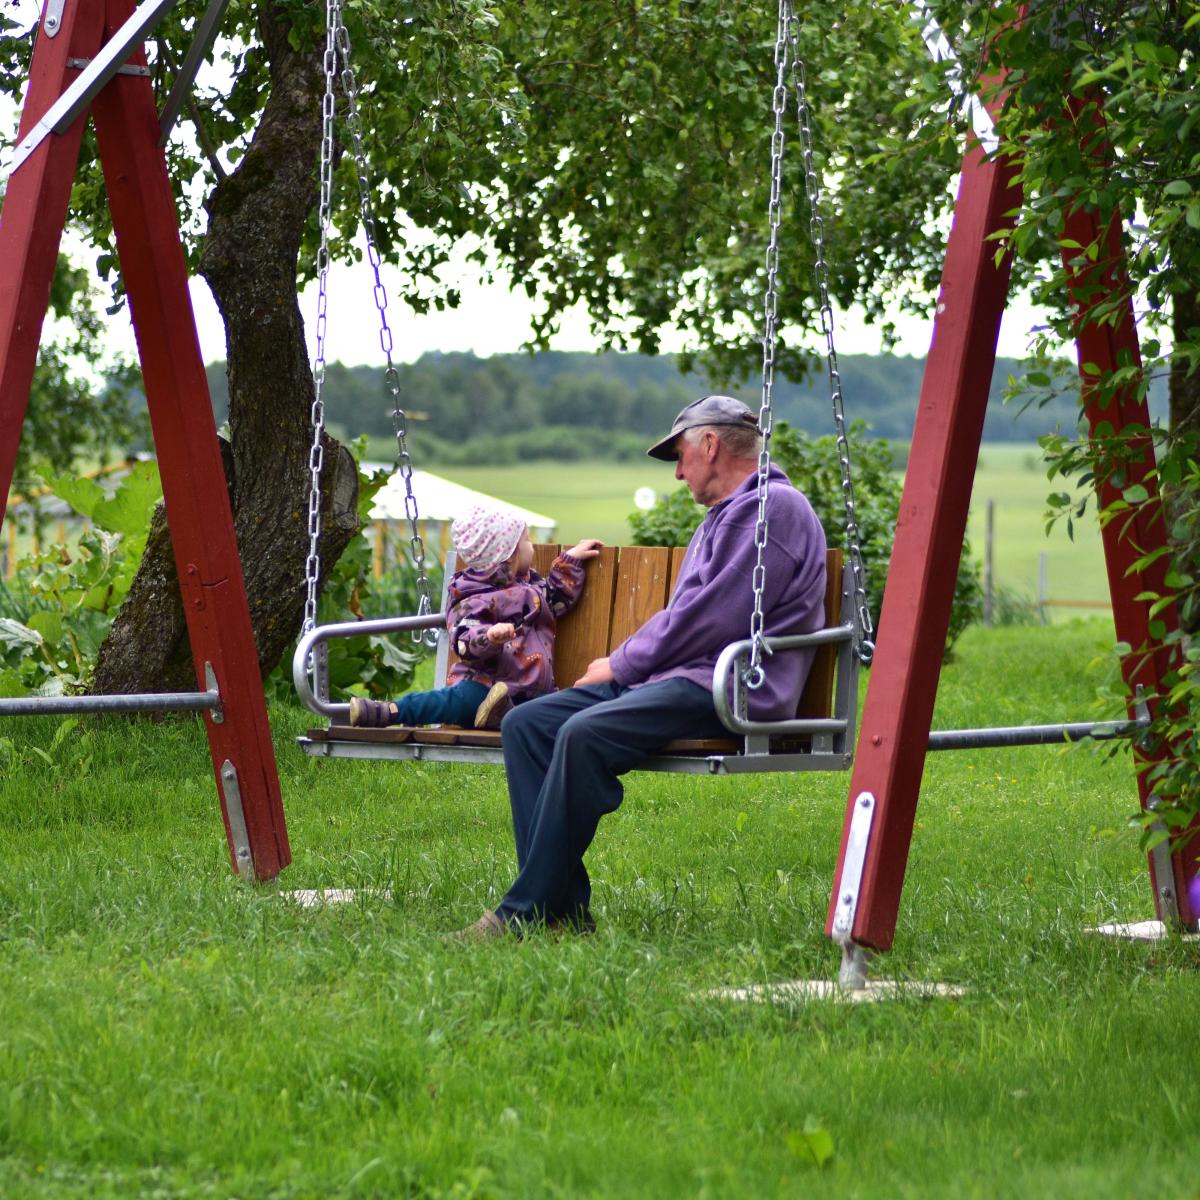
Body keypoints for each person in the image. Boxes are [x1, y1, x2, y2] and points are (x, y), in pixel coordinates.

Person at [458, 395, 828, 939]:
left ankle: (525, 911)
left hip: (730, 686)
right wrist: (630, 668)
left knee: (584, 733)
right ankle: (564, 912)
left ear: (710, 444)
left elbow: (708, 619)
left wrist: (621, 663)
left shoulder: (776, 511)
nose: (677, 472)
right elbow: (688, 617)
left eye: (680, 455)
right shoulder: (724, 517)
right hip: (682, 678)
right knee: (527, 724)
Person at [349, 503, 603, 731]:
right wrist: (489, 636)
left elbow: (556, 599)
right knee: (452, 701)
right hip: (482, 686)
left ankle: (502, 714)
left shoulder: (532, 590)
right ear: (509, 555)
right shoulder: (471, 597)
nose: (532, 546)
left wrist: (570, 561)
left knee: (560, 708)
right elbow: (464, 636)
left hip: (532, 693)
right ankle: (390, 712)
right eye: (526, 541)